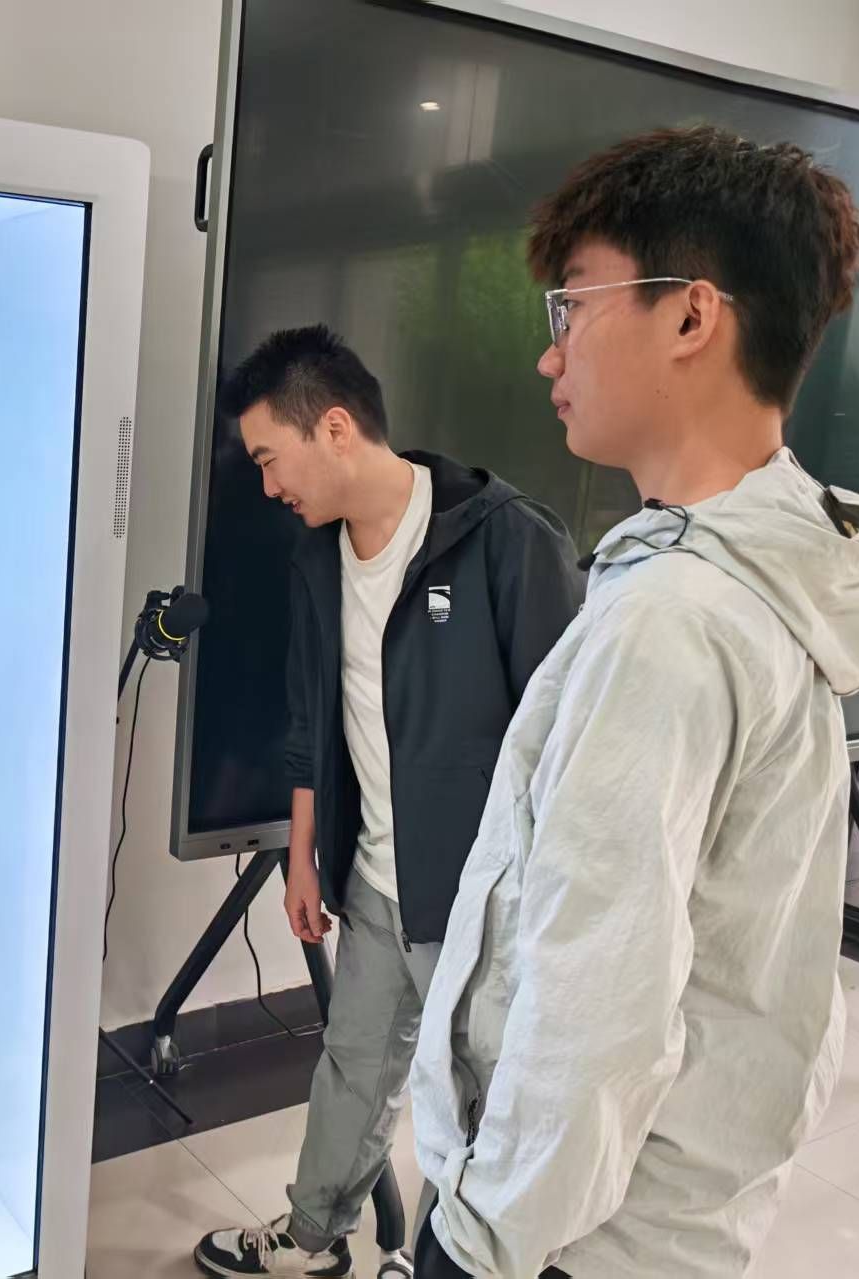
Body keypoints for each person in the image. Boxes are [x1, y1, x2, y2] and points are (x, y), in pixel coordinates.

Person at [408, 126, 859, 1278]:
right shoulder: (779, 569)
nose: (550, 355)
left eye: (572, 305)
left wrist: (476, 1240)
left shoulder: (670, 618)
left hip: (572, 1239)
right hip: (678, 1209)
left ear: (689, 316)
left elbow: (594, 995)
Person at [194, 325, 584, 1279]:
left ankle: (463, 1260)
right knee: (354, 1067)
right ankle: (313, 1235)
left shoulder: (506, 540)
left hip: (485, 901)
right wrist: (301, 852)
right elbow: (310, 716)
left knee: (485, 1099)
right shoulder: (316, 559)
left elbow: (571, 744)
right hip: (373, 879)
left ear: (334, 428)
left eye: (268, 459)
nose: (266, 486)